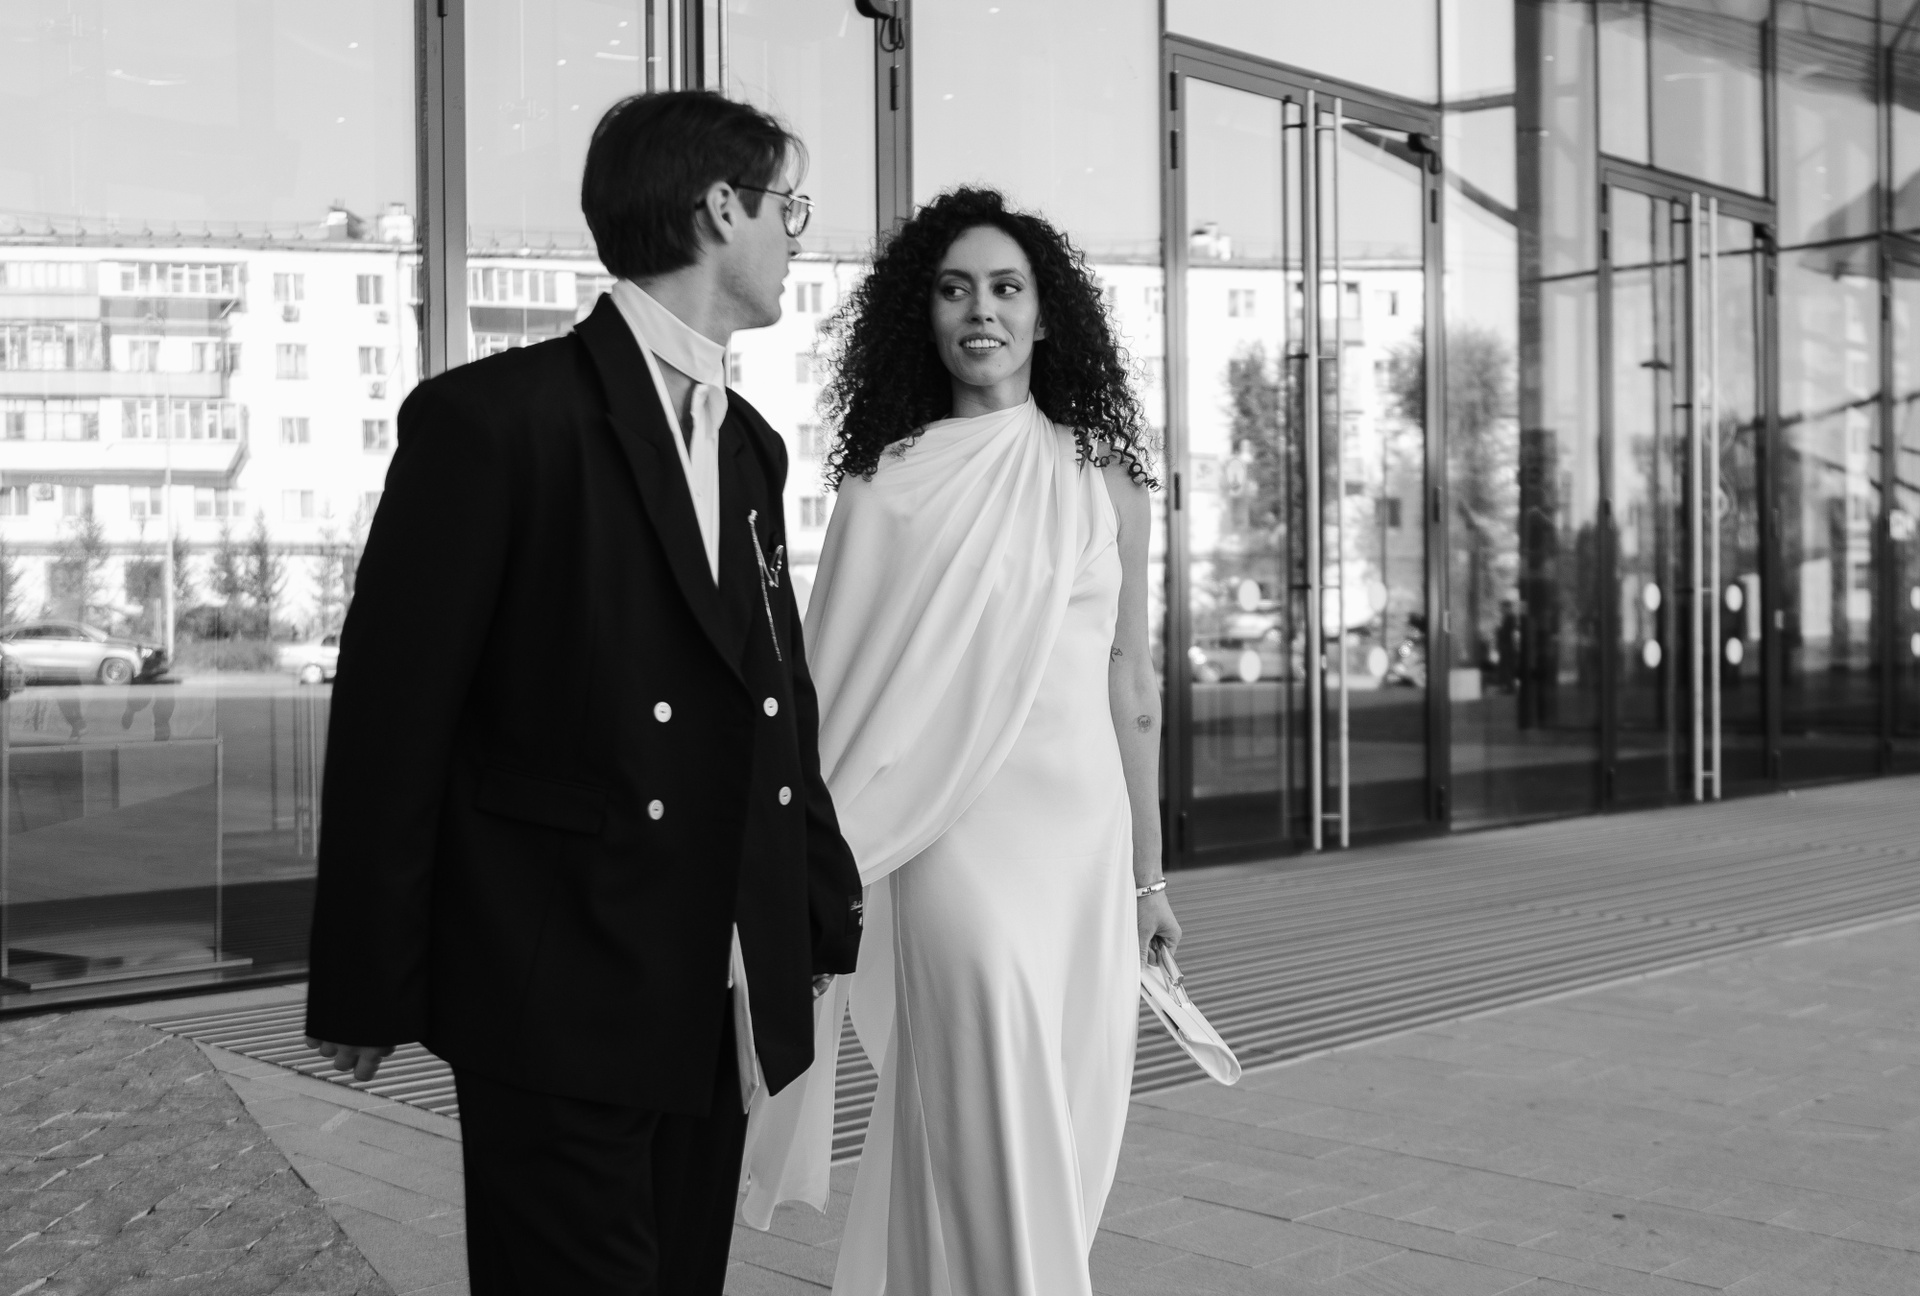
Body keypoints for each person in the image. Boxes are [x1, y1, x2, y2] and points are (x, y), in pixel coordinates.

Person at [301, 90, 863, 1296]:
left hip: (716, 982)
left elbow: (773, 692)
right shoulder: (494, 421)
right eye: (789, 208)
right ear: (721, 208)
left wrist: (814, 904)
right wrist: (364, 980)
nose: (796, 238)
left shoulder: (750, 443)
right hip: (555, 980)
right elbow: (396, 718)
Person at [739, 187, 1181, 1296]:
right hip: (953, 846)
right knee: (995, 1107)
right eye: (953, 290)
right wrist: (798, 872)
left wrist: (1148, 879)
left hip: (1082, 850)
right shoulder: (886, 485)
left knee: (1061, 1121)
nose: (981, 309)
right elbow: (833, 690)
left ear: (1045, 314)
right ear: (923, 317)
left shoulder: (1105, 479)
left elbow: (1132, 681)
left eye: (1005, 287)